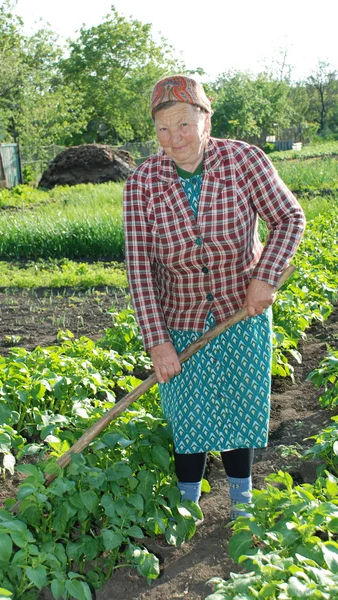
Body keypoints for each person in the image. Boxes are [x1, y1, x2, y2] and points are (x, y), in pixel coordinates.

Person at [123, 75, 305, 519]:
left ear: (206, 120)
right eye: (163, 129)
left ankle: (241, 502)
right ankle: (188, 508)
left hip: (241, 312)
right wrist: (157, 340)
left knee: (240, 403)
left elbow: (289, 218)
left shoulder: (244, 160)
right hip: (179, 317)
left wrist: (265, 277)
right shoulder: (143, 182)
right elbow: (140, 269)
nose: (174, 138)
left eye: (184, 124)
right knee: (187, 413)